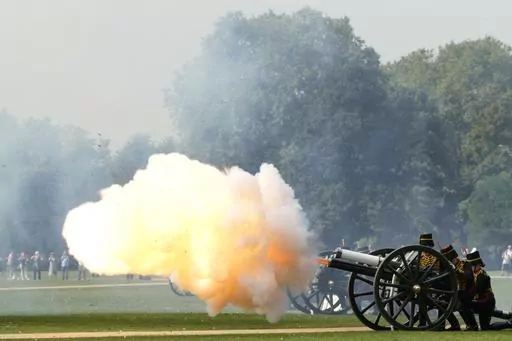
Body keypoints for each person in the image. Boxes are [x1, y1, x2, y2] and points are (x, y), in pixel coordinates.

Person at [461, 250, 512, 330]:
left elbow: (475, 289)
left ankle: (509, 324)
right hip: (482, 302)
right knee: (465, 305)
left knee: (485, 327)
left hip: (486, 302)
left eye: (471, 265)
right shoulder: (476, 273)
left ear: (476, 265)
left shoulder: (482, 276)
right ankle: (472, 325)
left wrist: (465, 296)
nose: (470, 267)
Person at [440, 245, 476, 330]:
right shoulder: (447, 268)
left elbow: (469, 276)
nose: (452, 262)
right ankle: (455, 325)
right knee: (442, 304)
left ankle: (472, 325)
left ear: (455, 257)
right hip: (454, 292)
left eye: (452, 260)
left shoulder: (465, 264)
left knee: (461, 305)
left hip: (467, 292)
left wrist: (456, 270)